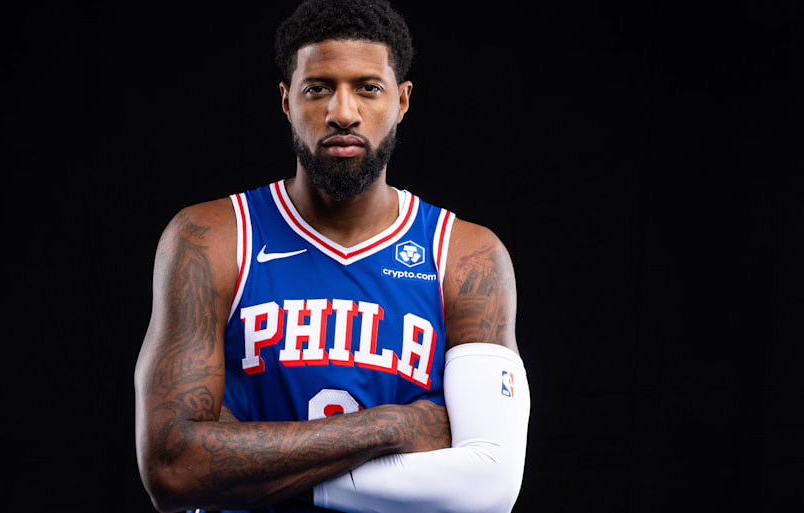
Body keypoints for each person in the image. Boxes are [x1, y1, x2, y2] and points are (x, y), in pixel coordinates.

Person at [134, 1, 530, 512]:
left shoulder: (465, 255)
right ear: (286, 100)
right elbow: (173, 469)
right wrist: (393, 426)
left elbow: (488, 487)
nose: (343, 112)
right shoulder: (212, 237)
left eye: (368, 88)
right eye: (318, 88)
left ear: (402, 100)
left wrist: (241, 467)